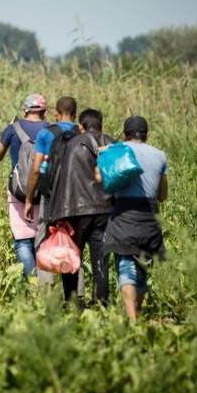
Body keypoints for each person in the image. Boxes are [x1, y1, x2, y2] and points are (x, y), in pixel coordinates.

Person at [99, 116, 168, 322]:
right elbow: (162, 195)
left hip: (124, 213)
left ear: (124, 134)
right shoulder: (160, 155)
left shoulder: (116, 150)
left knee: (126, 262)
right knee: (144, 265)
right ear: (147, 135)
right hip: (149, 214)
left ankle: (131, 319)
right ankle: (135, 315)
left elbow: (102, 178)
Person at [50, 109, 115, 306]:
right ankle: (101, 303)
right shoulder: (111, 143)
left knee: (71, 256)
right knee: (100, 260)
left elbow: (61, 177)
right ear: (102, 125)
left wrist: (57, 214)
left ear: (81, 126)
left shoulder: (73, 143)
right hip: (105, 209)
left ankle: (72, 303)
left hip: (76, 210)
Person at [24, 96, 81, 291]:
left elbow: (35, 169)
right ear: (76, 114)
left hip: (50, 195)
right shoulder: (81, 133)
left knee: (43, 239)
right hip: (76, 197)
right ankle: (76, 295)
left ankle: (47, 290)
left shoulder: (45, 133)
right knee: (74, 243)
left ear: (55, 113)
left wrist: (29, 199)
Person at [0, 94, 48, 278]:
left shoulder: (13, 129)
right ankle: (44, 282)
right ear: (45, 112)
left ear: (24, 111)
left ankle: (31, 283)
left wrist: (10, 130)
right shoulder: (50, 130)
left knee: (23, 241)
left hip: (18, 191)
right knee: (42, 240)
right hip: (45, 190)